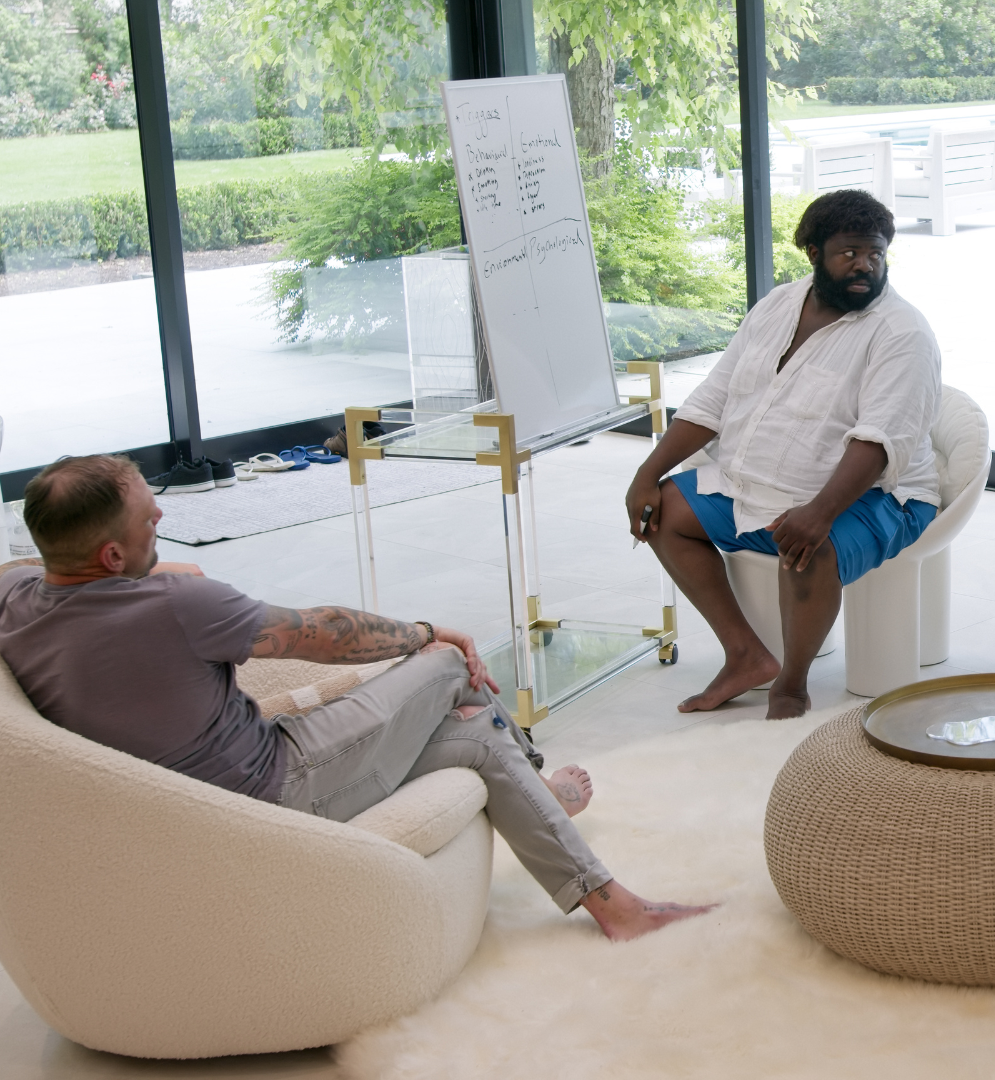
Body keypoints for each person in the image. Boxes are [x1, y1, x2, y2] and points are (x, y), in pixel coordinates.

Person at [0, 455, 710, 942]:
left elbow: (42, 570)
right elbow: (325, 635)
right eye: (152, 524)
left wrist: (156, 566)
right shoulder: (176, 606)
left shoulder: (17, 597)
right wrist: (431, 630)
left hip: (192, 803)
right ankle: (544, 786)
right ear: (113, 560)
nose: (162, 523)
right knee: (446, 668)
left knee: (474, 740)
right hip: (275, 788)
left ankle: (611, 905)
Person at [624, 189, 941, 720]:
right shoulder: (777, 305)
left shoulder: (901, 332)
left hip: (880, 494)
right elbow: (715, 398)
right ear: (813, 251)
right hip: (756, 483)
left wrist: (819, 514)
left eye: (876, 253)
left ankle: (791, 686)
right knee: (662, 515)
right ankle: (746, 656)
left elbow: (881, 441)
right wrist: (646, 473)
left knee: (806, 546)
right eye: (849, 253)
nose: (865, 265)